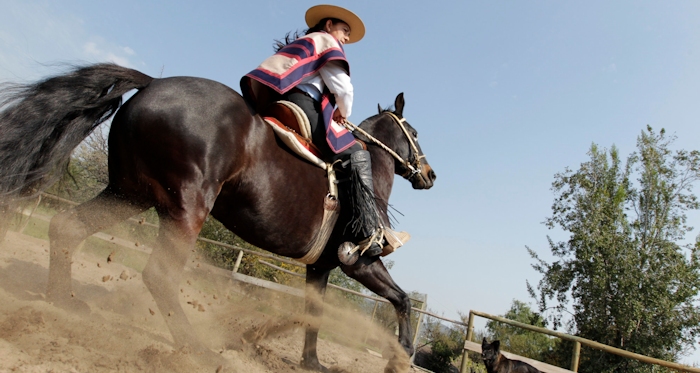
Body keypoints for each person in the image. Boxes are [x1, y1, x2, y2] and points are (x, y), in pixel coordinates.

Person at [240, 4, 383, 257]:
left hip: (281, 102)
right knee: (357, 154)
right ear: (328, 25)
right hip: (304, 105)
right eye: (344, 30)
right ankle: (368, 231)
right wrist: (343, 112)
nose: (346, 38)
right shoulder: (327, 42)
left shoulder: (307, 42)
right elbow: (344, 89)